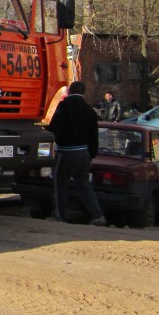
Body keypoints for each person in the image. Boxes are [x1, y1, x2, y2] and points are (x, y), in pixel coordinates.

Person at [48, 80, 107, 226]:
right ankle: (98, 215)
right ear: (84, 93)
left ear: (69, 92)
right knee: (84, 186)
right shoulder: (90, 111)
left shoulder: (64, 106)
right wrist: (91, 155)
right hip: (84, 154)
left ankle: (60, 217)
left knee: (60, 185)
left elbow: (54, 128)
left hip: (65, 152)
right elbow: (94, 136)